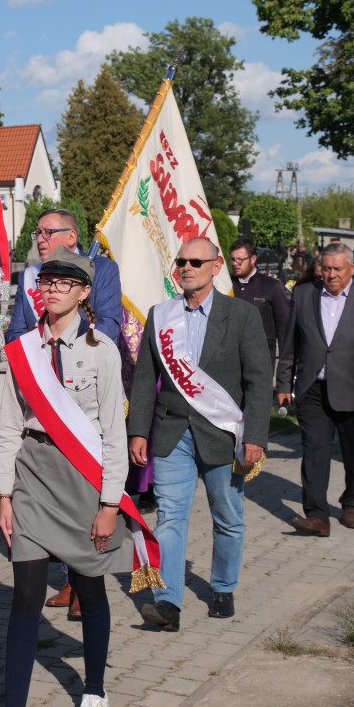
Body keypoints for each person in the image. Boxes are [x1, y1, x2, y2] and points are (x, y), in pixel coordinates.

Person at [0, 246, 132, 707]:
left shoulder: (103, 350)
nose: (52, 289)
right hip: (33, 474)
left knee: (90, 587)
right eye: (47, 281)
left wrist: (110, 503)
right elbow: (8, 428)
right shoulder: (22, 351)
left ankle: (94, 695)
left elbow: (113, 431)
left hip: (82, 477)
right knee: (25, 594)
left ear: (84, 292)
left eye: (64, 283)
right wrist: (5, 495)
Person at [128, 237, 271, 630]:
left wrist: (256, 435)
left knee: (226, 514)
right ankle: (168, 602)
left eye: (195, 261)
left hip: (223, 435)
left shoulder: (241, 315)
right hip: (172, 432)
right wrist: (138, 430)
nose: (186, 267)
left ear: (215, 265)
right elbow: (145, 381)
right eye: (181, 261)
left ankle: (223, 588)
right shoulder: (161, 316)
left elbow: (259, 381)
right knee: (170, 516)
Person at [276, 243, 354, 536]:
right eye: (326, 268)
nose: (331, 275)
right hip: (313, 389)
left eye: (337, 269)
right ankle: (317, 515)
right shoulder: (305, 294)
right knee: (315, 450)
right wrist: (284, 383)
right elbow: (291, 342)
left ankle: (352, 504)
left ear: (352, 268)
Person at [6, 208, 121, 344]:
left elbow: (109, 326)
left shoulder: (102, 268)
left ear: (71, 237)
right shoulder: (28, 276)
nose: (39, 239)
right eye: (37, 233)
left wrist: (67, 352)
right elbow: (15, 332)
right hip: (41, 361)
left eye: (48, 233)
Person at [228, 238, 290, 377]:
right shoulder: (226, 286)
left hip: (260, 364)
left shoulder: (272, 287)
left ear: (253, 259)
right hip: (230, 365)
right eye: (232, 259)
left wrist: (285, 374)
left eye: (240, 259)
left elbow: (284, 330)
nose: (235, 264)